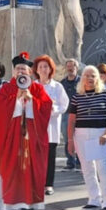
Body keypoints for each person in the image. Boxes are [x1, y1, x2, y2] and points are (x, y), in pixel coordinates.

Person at [0, 53, 53, 210]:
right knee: (11, 170)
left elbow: (47, 107)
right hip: (11, 139)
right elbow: (0, 112)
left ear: (30, 72)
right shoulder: (6, 88)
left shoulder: (37, 88)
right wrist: (16, 101)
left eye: (24, 69)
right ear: (13, 72)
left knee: (32, 171)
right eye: (18, 69)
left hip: (31, 139)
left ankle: (29, 206)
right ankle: (9, 207)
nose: (21, 72)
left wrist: (32, 101)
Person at [67, 65, 106, 210]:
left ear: (98, 79)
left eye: (93, 76)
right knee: (87, 168)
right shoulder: (77, 96)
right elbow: (71, 121)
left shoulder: (105, 94)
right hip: (81, 135)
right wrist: (70, 140)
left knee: (103, 168)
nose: (89, 78)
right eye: (87, 75)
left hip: (99, 134)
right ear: (82, 78)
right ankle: (94, 200)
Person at [33, 55, 70, 196]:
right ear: (36, 69)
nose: (43, 69)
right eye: (40, 67)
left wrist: (53, 110)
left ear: (50, 69)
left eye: (45, 67)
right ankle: (36, 183)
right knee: (35, 158)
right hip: (35, 127)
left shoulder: (57, 86)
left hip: (51, 126)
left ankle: (48, 184)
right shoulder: (32, 86)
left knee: (49, 157)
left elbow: (64, 105)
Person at [60, 60, 82, 170]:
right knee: (67, 138)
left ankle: (80, 161)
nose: (70, 68)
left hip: (79, 114)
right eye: (68, 66)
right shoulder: (62, 83)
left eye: (72, 66)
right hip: (65, 114)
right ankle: (70, 162)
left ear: (76, 68)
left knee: (78, 138)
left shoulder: (82, 82)